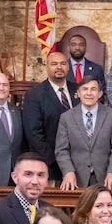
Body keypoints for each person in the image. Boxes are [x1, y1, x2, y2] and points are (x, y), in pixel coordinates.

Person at [55, 78, 112, 191]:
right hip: (76, 179)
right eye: (85, 89)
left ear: (100, 93)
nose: (88, 93)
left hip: (105, 178)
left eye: (93, 89)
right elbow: (61, 150)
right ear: (78, 93)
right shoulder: (66, 117)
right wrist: (68, 172)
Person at [22, 51, 75, 181]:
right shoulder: (34, 95)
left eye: (63, 63)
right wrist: (54, 160)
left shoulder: (78, 90)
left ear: (68, 67)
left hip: (78, 162)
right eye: (54, 64)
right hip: (50, 164)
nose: (59, 67)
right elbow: (34, 134)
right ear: (47, 67)